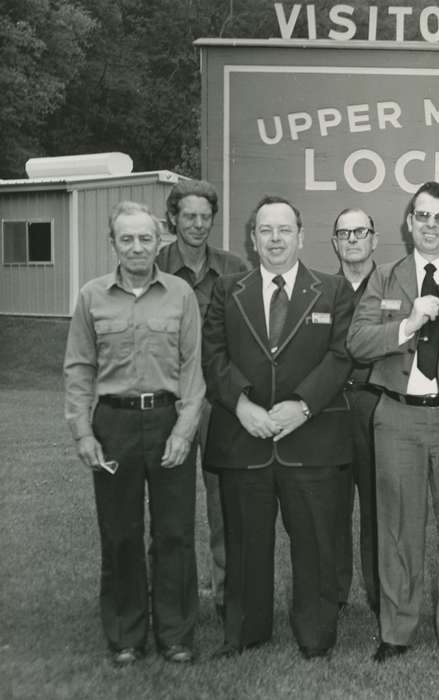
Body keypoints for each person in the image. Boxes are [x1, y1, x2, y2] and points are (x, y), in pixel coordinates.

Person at [202, 195, 354, 660]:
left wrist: (303, 406)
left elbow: (342, 355)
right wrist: (241, 404)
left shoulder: (332, 290)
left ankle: (314, 633)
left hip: (311, 439)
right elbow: (213, 355)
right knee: (245, 542)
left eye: (284, 230)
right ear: (253, 238)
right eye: (265, 230)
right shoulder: (228, 290)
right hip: (243, 437)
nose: (274, 239)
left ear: (301, 236)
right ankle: (246, 630)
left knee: (315, 543)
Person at [346, 181, 439, 662]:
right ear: (409, 222)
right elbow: (358, 343)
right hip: (398, 417)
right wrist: (408, 323)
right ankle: (397, 631)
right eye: (422, 216)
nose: (431, 226)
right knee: (398, 526)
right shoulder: (385, 278)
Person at [63, 201, 204, 665]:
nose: (137, 247)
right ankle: (126, 633)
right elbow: (79, 368)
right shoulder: (92, 297)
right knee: (120, 532)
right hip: (114, 424)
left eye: (146, 238)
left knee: (175, 533)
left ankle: (175, 633)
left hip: (168, 421)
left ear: (159, 241)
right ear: (113, 244)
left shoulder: (181, 294)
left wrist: (185, 431)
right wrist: (84, 434)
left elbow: (192, 369)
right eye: (127, 238)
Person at [156, 179, 249, 623]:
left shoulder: (234, 269)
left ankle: (230, 595)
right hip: (165, 405)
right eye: (188, 215)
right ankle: (172, 599)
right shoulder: (152, 266)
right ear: (172, 216)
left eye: (205, 216)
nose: (197, 224)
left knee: (224, 503)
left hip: (217, 405)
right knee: (169, 507)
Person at [330, 206, 381, 618]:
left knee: (379, 506)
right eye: (344, 233)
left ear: (373, 239)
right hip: (331, 406)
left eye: (359, 232)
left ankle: (382, 594)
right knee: (332, 505)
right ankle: (334, 593)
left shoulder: (393, 285)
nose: (352, 239)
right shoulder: (321, 289)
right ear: (334, 242)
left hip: (376, 402)